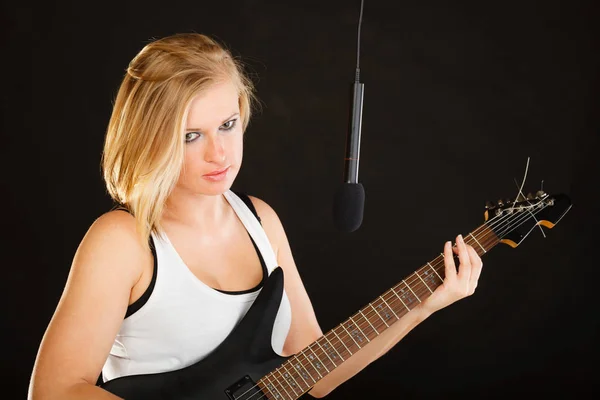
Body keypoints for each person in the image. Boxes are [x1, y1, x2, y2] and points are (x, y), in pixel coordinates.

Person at [27, 32, 483, 399]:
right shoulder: (123, 241)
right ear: (151, 139)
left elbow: (316, 370)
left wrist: (426, 304)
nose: (219, 152)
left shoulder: (260, 220)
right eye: (191, 136)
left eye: (226, 125)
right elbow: (53, 390)